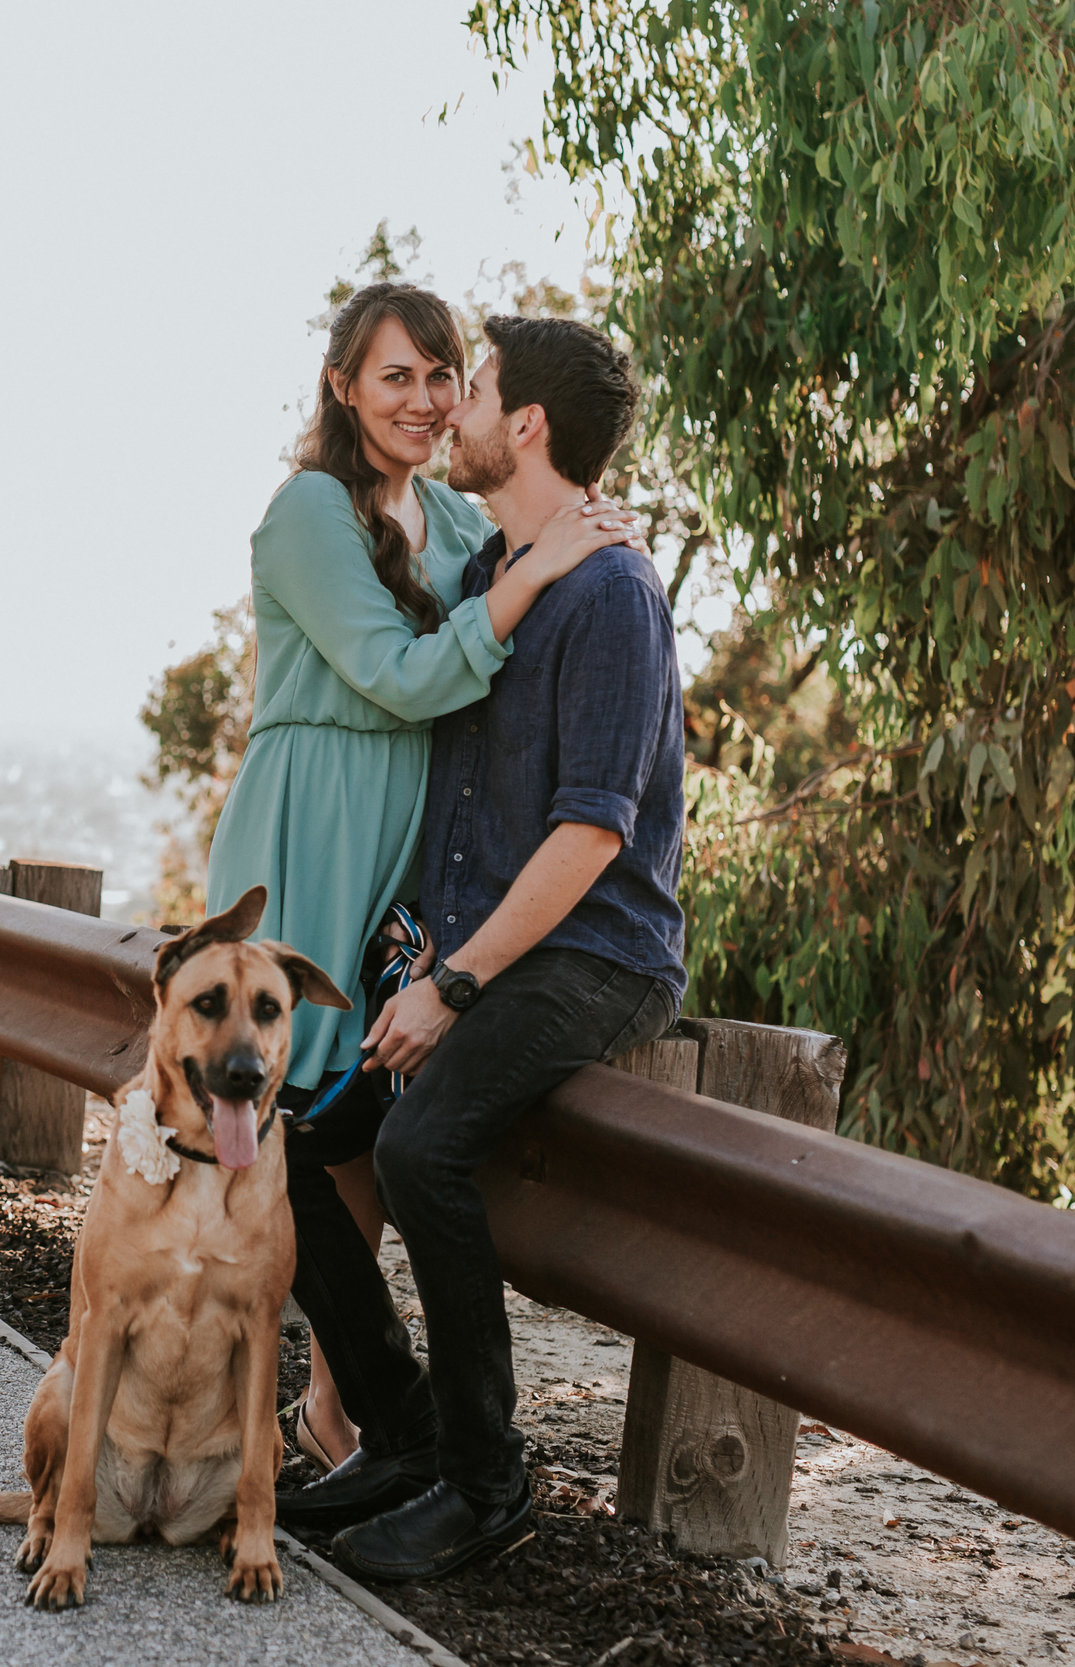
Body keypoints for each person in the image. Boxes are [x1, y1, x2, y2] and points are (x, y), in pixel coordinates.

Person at [273, 314, 688, 1585]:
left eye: (475, 387)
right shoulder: (482, 582)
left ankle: (483, 1478)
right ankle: (397, 1434)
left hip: (593, 951)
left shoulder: (613, 592)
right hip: (484, 944)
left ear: (526, 426)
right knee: (302, 1145)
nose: (449, 406)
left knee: (418, 1142)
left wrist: (455, 984)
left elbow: (586, 839)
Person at [201, 283, 629, 1469]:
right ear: (343, 383)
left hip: (414, 835)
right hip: (313, 827)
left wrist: (584, 534)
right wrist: (532, 578)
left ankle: (334, 1403)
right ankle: (221, 1404)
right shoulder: (308, 511)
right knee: (273, 1127)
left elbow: (540, 560)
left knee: (360, 1121)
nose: (426, 401)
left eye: (444, 377)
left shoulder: (450, 519)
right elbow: (395, 672)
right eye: (396, 376)